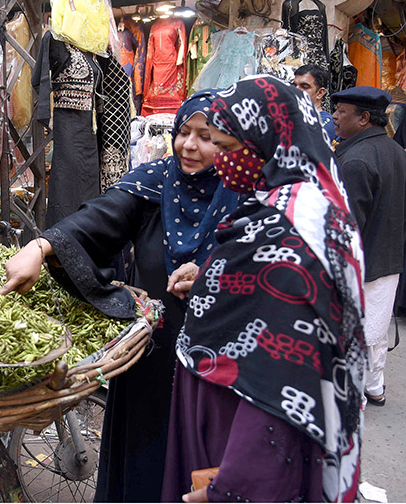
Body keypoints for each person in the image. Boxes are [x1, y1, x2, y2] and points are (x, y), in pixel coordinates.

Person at [0, 90, 242, 502]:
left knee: (200, 459)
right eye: (183, 132)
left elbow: (262, 269)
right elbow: (99, 217)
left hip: (215, 360)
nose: (189, 145)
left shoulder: (243, 194)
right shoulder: (155, 182)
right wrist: (40, 248)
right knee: (144, 459)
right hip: (151, 354)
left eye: (207, 136)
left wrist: (213, 273)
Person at [161, 76, 366, 502]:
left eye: (229, 148)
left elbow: (284, 380)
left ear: (272, 140)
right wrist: (212, 280)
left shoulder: (292, 237)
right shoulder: (300, 203)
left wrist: (230, 485)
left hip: (243, 456)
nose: (221, 159)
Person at [332, 86, 406, 407]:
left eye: (342, 111)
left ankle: (353, 399)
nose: (334, 116)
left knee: (355, 333)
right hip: (388, 258)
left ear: (363, 118)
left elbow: (348, 228)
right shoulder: (394, 151)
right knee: (374, 328)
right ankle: (374, 386)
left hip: (362, 265)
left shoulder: (356, 161)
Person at [293, 64, 336, 143]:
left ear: (320, 93)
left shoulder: (326, 123)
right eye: (294, 85)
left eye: (305, 87)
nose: (296, 90)